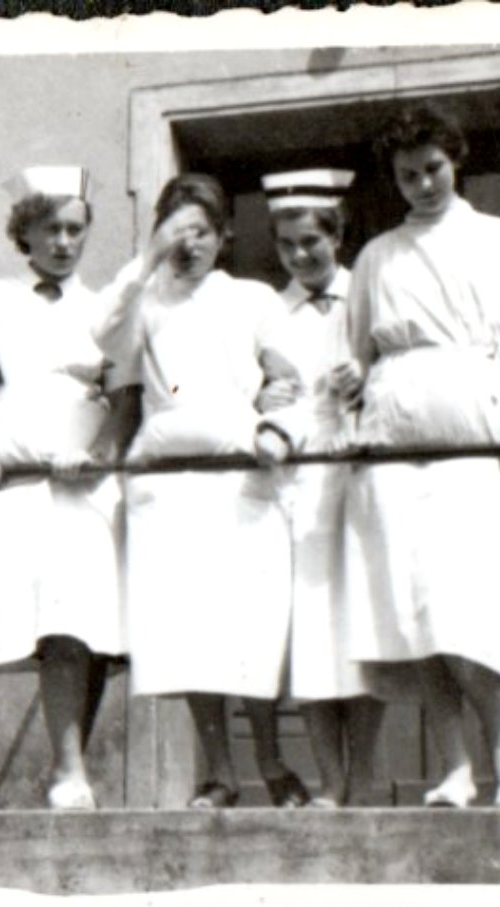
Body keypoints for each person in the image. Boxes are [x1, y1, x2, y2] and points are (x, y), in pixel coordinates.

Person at [339, 105, 500, 809]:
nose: (422, 185)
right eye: (407, 175)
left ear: (456, 162)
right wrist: (348, 394)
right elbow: (354, 356)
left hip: (478, 440)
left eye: (433, 169)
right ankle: (453, 766)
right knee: (412, 611)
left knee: (464, 607)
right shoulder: (377, 257)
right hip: (391, 445)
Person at [0, 166, 136, 811]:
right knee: (53, 630)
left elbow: (127, 400)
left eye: (75, 229)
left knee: (89, 630)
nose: (65, 242)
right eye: (51, 229)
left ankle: (69, 772)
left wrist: (100, 454)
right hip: (21, 485)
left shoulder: (106, 308)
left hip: (87, 485)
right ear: (26, 232)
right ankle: (69, 773)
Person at [97, 173, 309, 809]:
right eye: (175, 233)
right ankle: (220, 774)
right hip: (169, 486)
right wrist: (146, 260)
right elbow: (101, 333)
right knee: (190, 636)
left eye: (200, 232)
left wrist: (275, 423)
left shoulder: (253, 300)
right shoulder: (143, 303)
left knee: (251, 629)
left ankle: (270, 762)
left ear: (224, 236)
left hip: (240, 479)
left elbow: (293, 380)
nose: (188, 246)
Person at [253, 169, 385, 809]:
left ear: (337, 235)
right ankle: (331, 781)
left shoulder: (370, 294)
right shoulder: (267, 313)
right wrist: (258, 399)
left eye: (311, 241)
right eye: (286, 245)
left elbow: (401, 364)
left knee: (360, 629)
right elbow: (211, 385)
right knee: (310, 636)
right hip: (297, 483)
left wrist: (368, 378)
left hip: (360, 471)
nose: (300, 255)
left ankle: (364, 781)